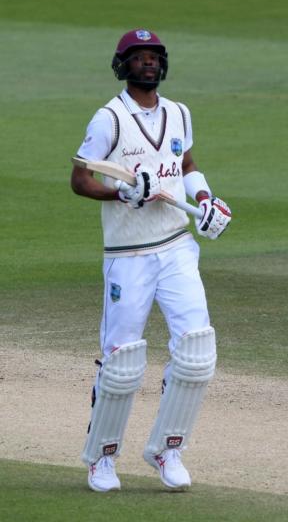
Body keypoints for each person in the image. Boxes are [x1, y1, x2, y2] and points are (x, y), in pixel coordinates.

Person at [70, 28, 233, 491]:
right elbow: (80, 179)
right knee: (122, 361)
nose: (148, 63)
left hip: (177, 245)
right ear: (123, 66)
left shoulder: (179, 113)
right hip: (129, 255)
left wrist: (204, 198)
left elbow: (185, 165)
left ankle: (167, 450)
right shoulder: (109, 119)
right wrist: (121, 191)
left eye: (154, 56)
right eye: (138, 57)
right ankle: (102, 458)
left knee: (198, 352)